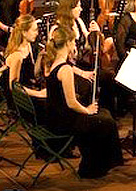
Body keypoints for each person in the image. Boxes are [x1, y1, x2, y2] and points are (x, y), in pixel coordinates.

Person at [43, 26, 123, 178]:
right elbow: (71, 103)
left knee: (104, 114)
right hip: (64, 120)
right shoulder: (64, 69)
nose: (75, 44)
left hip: (54, 116)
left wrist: (82, 73)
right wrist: (88, 110)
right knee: (104, 120)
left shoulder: (52, 61)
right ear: (67, 44)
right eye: (73, 41)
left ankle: (101, 162)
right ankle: (95, 166)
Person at [67, 0, 115, 65]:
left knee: (109, 42)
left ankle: (104, 65)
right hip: (81, 25)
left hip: (98, 23)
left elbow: (105, 8)